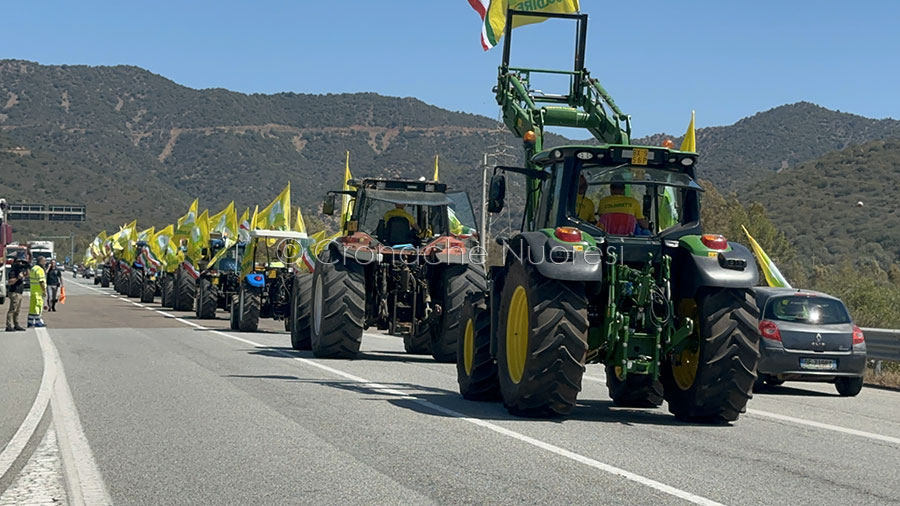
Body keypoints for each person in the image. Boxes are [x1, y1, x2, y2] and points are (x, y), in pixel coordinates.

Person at [5, 253, 28, 332]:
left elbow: (27, 275)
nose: (20, 263)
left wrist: (27, 267)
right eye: (18, 262)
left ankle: (16, 324)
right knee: (12, 309)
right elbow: (10, 282)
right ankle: (8, 325)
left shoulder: (20, 271)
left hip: (19, 292)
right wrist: (18, 278)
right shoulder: (13, 271)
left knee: (17, 310)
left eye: (21, 262)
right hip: (14, 292)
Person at [28, 256, 48, 328]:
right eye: (44, 261)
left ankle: (30, 321)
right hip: (38, 292)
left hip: (33, 291)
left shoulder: (33, 268)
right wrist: (44, 291)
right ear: (41, 262)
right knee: (38, 306)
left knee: (32, 308)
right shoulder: (40, 270)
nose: (45, 263)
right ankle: (37, 321)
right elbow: (41, 282)